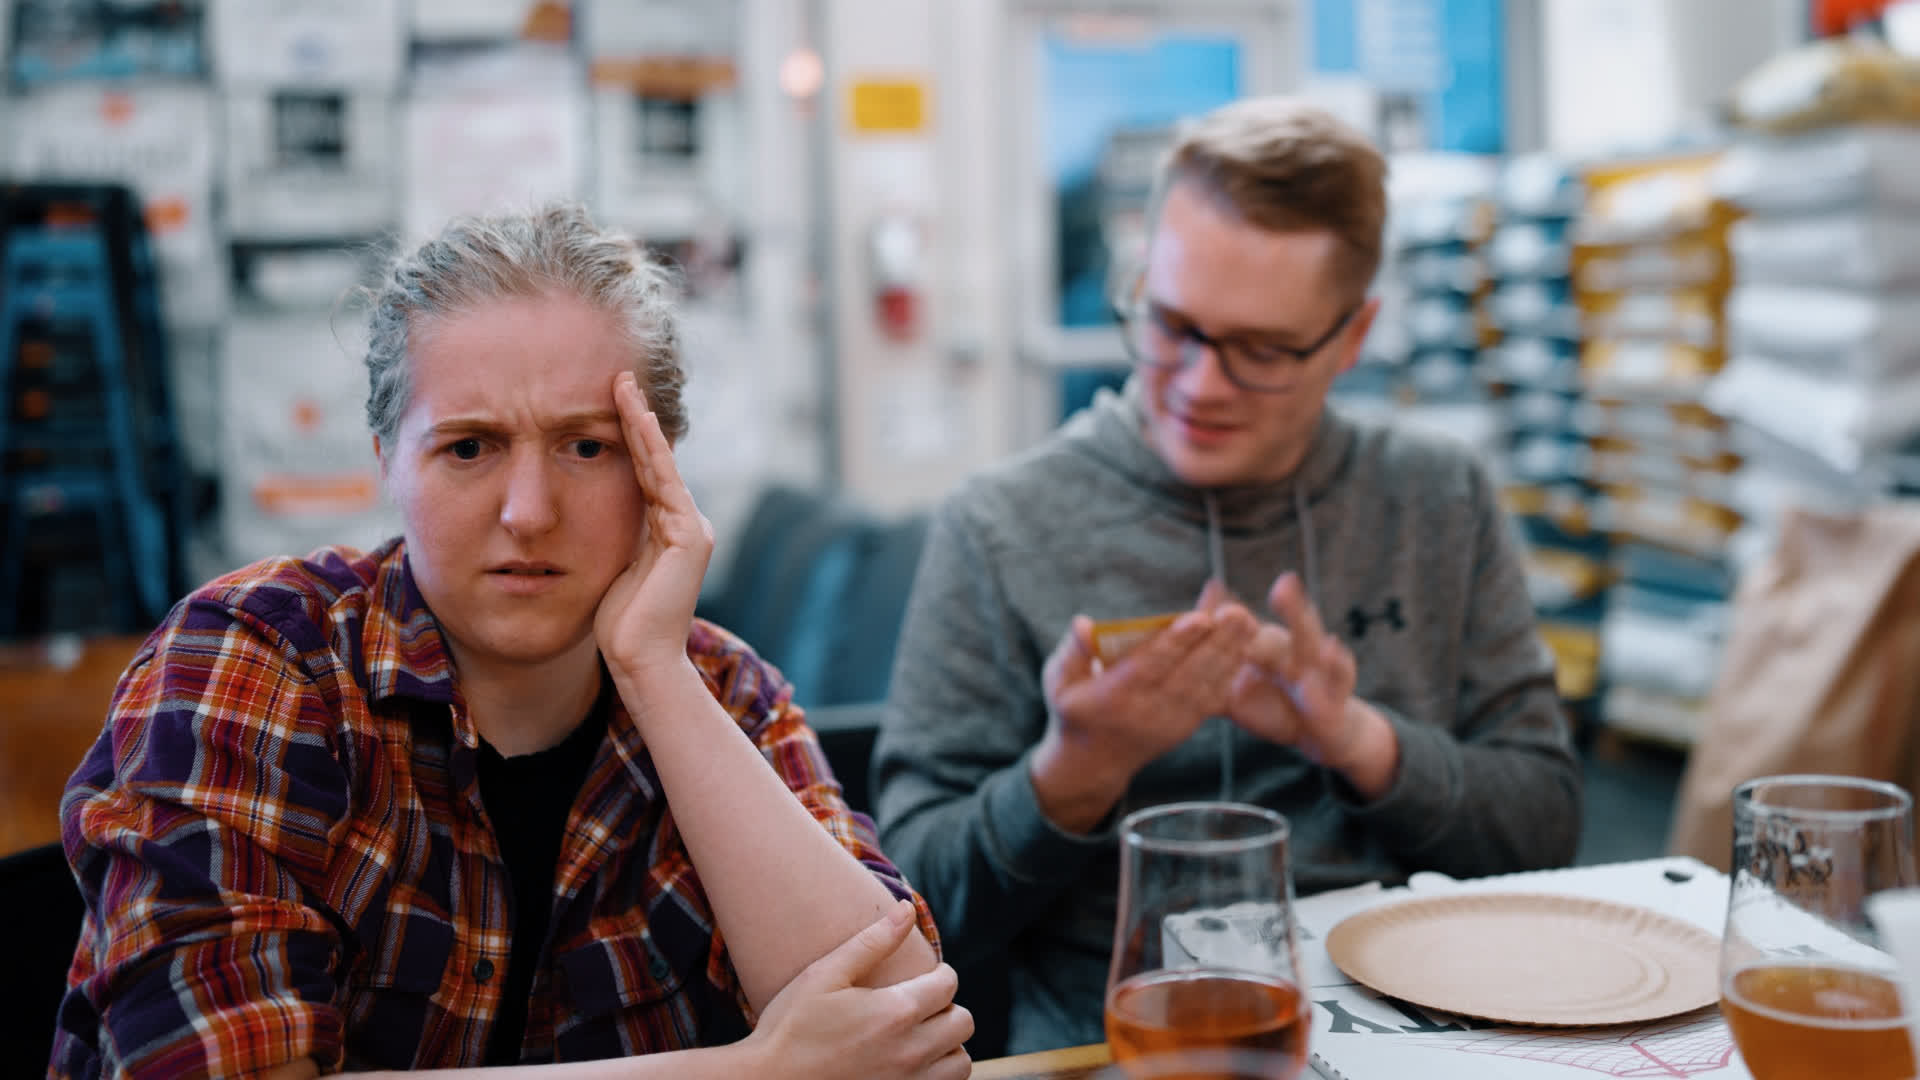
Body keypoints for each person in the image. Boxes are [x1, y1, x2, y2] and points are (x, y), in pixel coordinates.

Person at [51, 203, 972, 1078]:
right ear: (387, 462)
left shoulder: (723, 690)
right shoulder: (253, 658)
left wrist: (655, 673)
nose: (528, 513)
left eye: (587, 447)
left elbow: (902, 1029)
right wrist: (749, 1073)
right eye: (469, 448)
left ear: (658, 471)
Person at [872, 96, 1583, 1053]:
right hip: (1118, 1046)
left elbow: (1545, 829)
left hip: (1430, 1034)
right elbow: (908, 909)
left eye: (1262, 350)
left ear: (1353, 337)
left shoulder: (1438, 497)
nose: (1201, 385)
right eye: (1171, 325)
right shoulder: (999, 526)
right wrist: (1073, 773)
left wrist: (1360, 740)